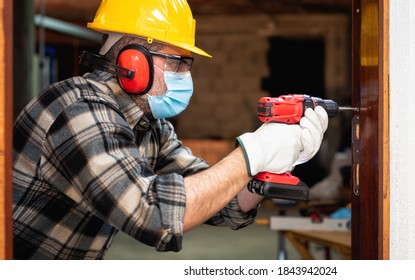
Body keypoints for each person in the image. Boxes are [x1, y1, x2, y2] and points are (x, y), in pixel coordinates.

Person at [12, 0, 328, 260]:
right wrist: (251, 153)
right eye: (177, 63)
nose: (185, 76)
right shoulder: (78, 107)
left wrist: (273, 162)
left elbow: (215, 201)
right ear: (133, 61)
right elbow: (153, 217)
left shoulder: (151, 126)